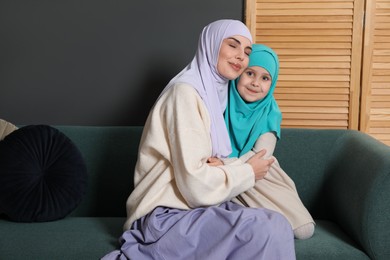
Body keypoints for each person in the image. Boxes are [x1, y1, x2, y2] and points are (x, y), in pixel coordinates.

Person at [101, 20, 295, 259]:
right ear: (211, 45)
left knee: (275, 223)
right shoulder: (184, 93)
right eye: (232, 45)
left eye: (246, 52)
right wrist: (247, 171)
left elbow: (207, 168)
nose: (240, 57)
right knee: (268, 228)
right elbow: (195, 185)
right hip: (164, 216)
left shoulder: (213, 96)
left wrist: (230, 166)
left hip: (195, 209)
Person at [223, 44, 315, 239]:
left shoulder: (270, 111)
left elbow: (261, 158)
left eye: (265, 78)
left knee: (304, 229)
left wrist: (223, 162)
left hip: (259, 177)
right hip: (225, 179)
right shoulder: (219, 101)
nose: (256, 83)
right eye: (250, 73)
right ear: (239, 72)